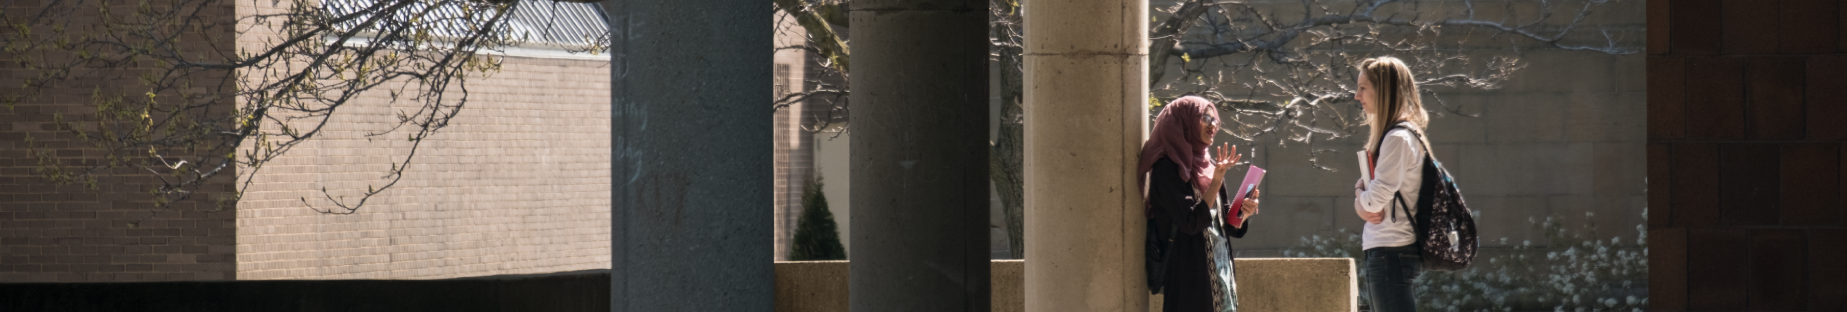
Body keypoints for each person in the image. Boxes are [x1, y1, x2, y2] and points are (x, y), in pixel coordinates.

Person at [1139, 95, 1261, 312]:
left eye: (1216, 120)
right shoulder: (1167, 169)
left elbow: (1227, 226)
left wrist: (1244, 213)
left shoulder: (1211, 167)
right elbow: (1191, 223)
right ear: (1185, 121)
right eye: (1206, 118)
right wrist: (1216, 182)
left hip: (1221, 274)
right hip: (1190, 277)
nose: (1213, 125)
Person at [1350, 56, 1431, 312]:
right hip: (1389, 250)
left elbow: (1374, 202)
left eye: (1363, 88)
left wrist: (1358, 193)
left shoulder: (1397, 138)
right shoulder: (1399, 135)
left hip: (1391, 251)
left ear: (1383, 90)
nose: (1356, 95)